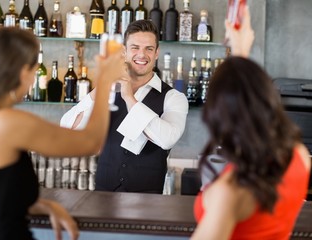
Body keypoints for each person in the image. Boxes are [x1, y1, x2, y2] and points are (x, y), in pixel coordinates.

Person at [0, 28, 125, 240]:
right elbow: (90, 142)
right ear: (24, 72)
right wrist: (105, 81)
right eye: (34, 71)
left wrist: (37, 205)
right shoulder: (8, 122)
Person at [191, 6, 311, 240]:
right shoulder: (299, 156)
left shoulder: (230, 192)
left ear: (219, 114)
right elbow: (246, 98)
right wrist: (239, 49)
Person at [60, 20, 189, 194]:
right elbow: (68, 129)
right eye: (135, 47)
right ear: (124, 51)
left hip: (148, 202)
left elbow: (167, 139)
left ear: (157, 53)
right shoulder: (107, 94)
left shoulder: (174, 98)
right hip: (102, 197)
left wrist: (129, 98)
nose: (141, 55)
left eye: (149, 49)